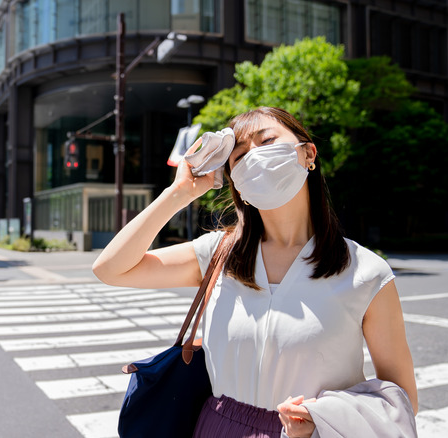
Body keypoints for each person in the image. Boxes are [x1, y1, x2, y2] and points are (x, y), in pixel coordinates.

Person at [93, 107, 418, 438]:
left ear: (308, 153)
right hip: (217, 428)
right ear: (235, 181)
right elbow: (111, 269)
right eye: (239, 156)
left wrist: (324, 419)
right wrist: (181, 192)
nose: (254, 158)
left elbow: (401, 400)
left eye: (267, 141)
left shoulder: (367, 272)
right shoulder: (219, 253)